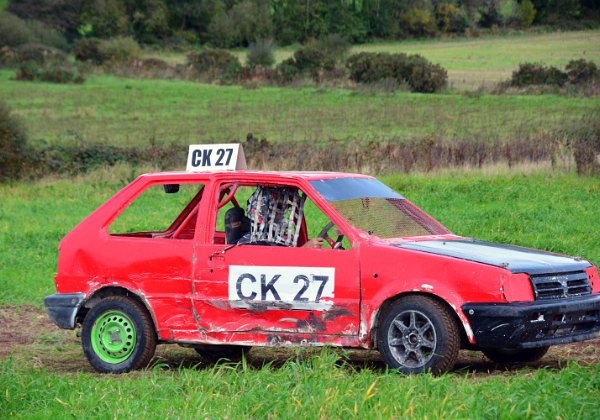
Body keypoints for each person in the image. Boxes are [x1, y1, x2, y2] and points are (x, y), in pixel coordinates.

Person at [225, 186, 324, 248]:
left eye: (282, 210)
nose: (281, 215)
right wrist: (304, 250)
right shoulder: (252, 242)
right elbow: (276, 267)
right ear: (262, 212)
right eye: (277, 210)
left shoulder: (277, 238)